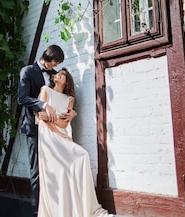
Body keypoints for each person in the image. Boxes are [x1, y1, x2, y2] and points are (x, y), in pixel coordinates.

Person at [37, 68, 113, 217]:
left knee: (82, 156)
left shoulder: (69, 99)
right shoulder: (45, 90)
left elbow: (64, 124)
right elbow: (41, 116)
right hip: (48, 136)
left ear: (67, 81)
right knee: (57, 171)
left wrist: (56, 124)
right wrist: (56, 130)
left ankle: (80, 207)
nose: (58, 75)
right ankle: (58, 210)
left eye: (62, 74)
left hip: (63, 135)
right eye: (58, 73)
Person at [18, 44, 73, 216]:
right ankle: (37, 212)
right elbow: (22, 98)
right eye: (56, 62)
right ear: (50, 58)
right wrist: (43, 105)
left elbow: (63, 96)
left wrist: (73, 112)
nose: (56, 66)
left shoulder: (52, 76)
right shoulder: (27, 71)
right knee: (36, 171)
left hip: (52, 130)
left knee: (54, 168)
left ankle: (55, 209)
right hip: (34, 128)